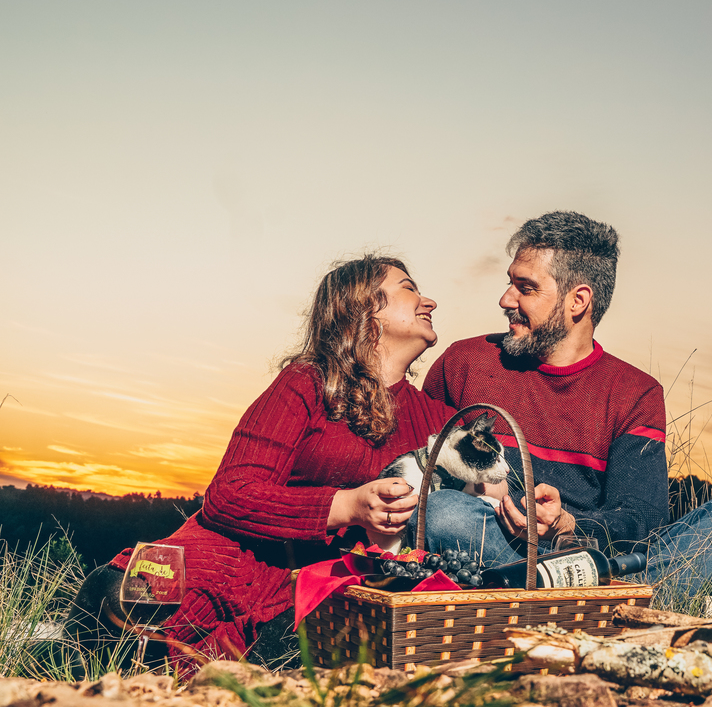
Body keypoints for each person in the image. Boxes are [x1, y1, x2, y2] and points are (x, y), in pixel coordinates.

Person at [68, 255, 455, 673]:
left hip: (326, 586)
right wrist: (348, 507)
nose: (428, 301)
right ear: (362, 307)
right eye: (409, 288)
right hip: (234, 556)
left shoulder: (436, 419)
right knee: (120, 602)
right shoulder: (307, 382)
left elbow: (470, 506)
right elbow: (228, 495)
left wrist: (525, 506)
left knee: (287, 659)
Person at [421, 211, 712, 595]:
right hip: (503, 549)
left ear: (578, 301)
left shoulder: (635, 392)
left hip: (600, 560)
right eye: (509, 283)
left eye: (525, 288)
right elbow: (415, 464)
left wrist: (567, 525)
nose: (506, 299)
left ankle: (598, 596)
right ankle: (619, 602)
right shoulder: (466, 362)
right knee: (446, 514)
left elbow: (642, 519)